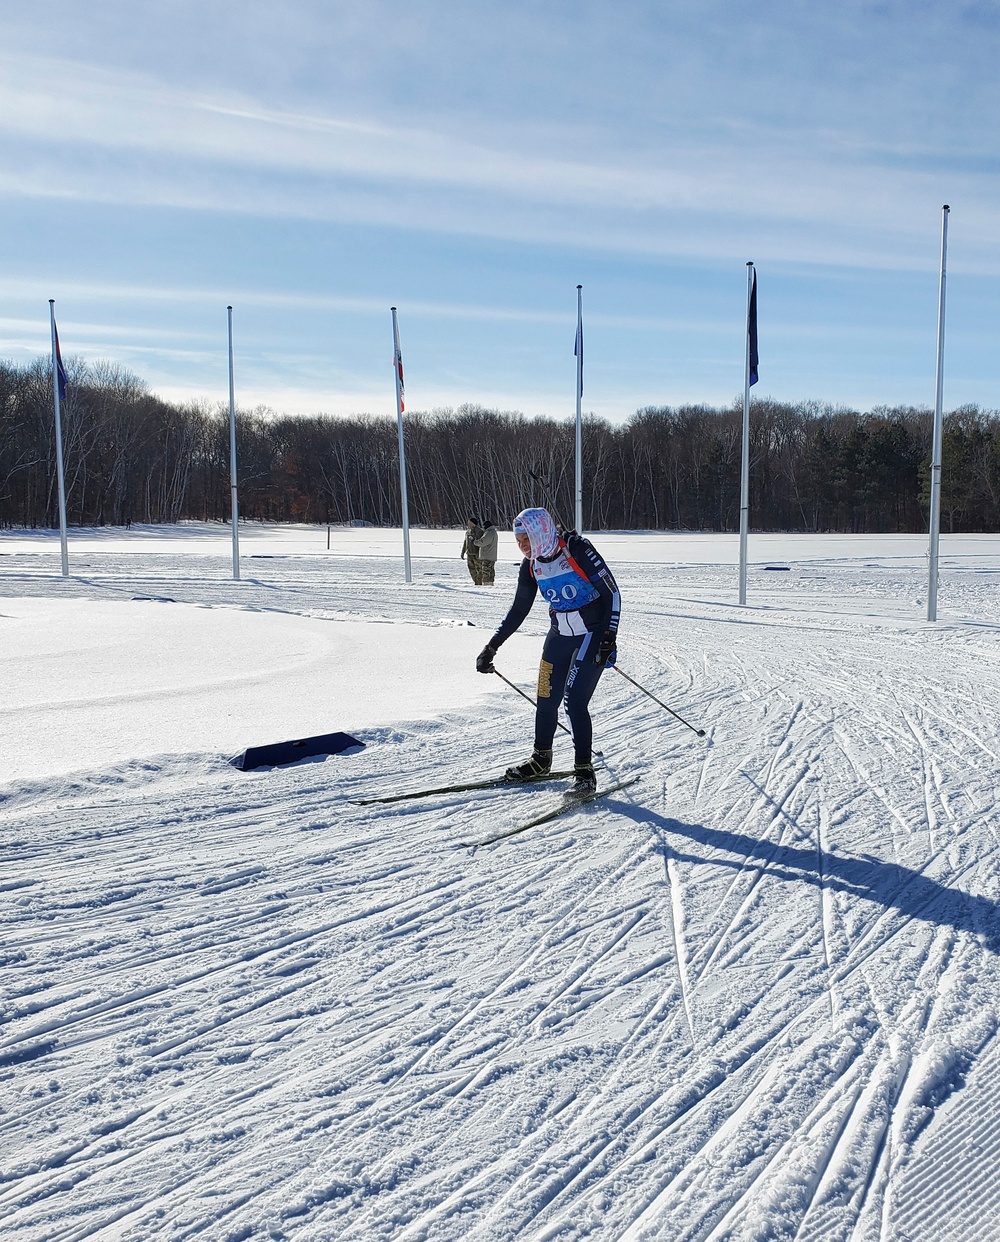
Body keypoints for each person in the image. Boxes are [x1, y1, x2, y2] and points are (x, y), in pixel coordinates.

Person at [475, 507, 620, 794]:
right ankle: (541, 759)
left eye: (526, 539)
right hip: (560, 635)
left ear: (540, 531)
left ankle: (584, 773)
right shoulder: (531, 565)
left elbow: (611, 593)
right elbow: (518, 609)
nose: (523, 546)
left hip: (591, 633)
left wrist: (608, 636)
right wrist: (492, 646)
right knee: (545, 696)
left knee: (574, 701)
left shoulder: (576, 549)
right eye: (518, 541)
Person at [473, 519, 498, 586]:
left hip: (487, 556)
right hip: (491, 555)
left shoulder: (489, 532)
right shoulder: (492, 532)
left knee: (486, 572)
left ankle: (487, 585)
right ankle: (490, 584)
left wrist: (475, 542)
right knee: (490, 572)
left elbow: (483, 542)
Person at [460, 517, 485, 584]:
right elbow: (465, 542)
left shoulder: (479, 531)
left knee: (479, 569)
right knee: (471, 569)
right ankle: (476, 582)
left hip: (477, 554)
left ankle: (480, 583)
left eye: (469, 522)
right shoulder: (468, 532)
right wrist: (463, 552)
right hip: (469, 553)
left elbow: (482, 542)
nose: (468, 524)